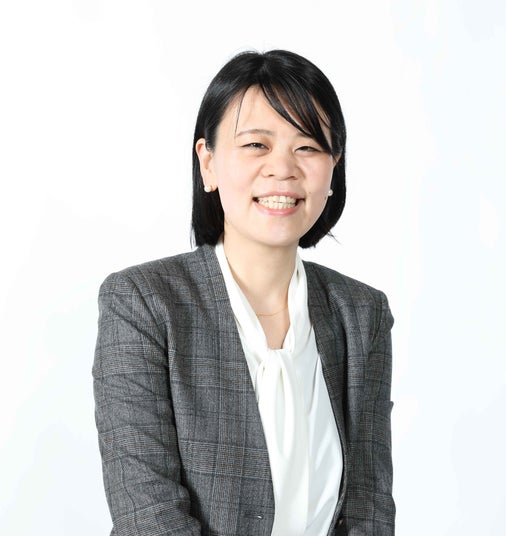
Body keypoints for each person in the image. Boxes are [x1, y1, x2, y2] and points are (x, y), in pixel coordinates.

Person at [93, 49, 395, 536]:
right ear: (208, 163)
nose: (283, 168)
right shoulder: (143, 303)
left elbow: (369, 506)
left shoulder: (362, 314)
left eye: (308, 147)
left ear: (333, 167)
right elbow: (147, 514)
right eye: (256, 144)